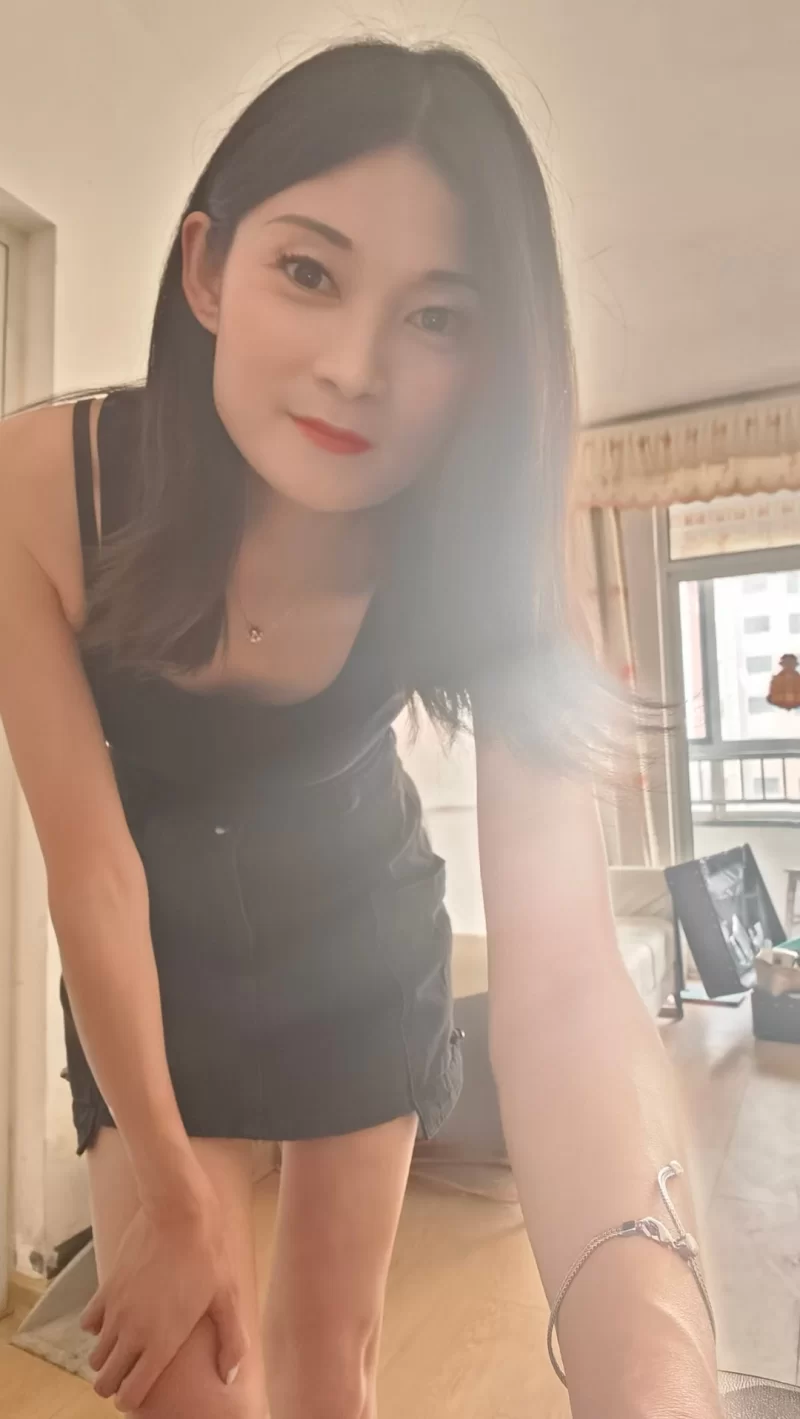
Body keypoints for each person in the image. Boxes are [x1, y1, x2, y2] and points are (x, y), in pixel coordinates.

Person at [0, 38, 721, 1419]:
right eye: (310, 271)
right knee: (183, 1386)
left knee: (332, 1364)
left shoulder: (481, 543)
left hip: (359, 948)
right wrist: (170, 1189)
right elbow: (89, 871)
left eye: (437, 317)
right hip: (151, 970)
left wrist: (657, 1376)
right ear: (208, 270)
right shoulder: (42, 491)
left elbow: (567, 980)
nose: (355, 368)